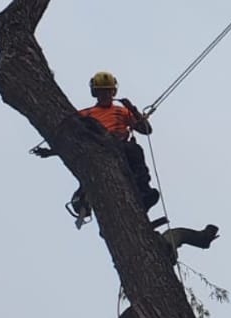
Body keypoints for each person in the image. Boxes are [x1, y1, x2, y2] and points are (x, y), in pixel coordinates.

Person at [33, 71, 159, 225]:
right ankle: (84, 197)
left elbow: (146, 129)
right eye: (102, 91)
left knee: (134, 151)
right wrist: (52, 151)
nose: (106, 95)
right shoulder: (85, 114)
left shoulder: (122, 111)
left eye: (109, 91)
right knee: (92, 165)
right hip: (96, 148)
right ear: (95, 93)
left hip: (120, 147)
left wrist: (132, 109)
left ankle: (143, 191)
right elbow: (72, 139)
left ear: (114, 91)